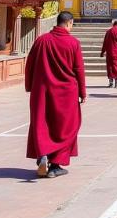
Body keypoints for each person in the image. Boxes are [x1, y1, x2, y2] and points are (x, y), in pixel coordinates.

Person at [24, 11, 86, 179]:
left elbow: (29, 64)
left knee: (42, 123)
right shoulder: (73, 43)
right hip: (66, 93)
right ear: (69, 23)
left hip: (42, 91)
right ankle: (55, 165)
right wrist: (82, 92)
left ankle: (43, 154)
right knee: (65, 127)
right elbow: (78, 69)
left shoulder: (42, 40)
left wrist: (30, 86)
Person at [100, 19, 117, 88]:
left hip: (110, 52)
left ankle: (111, 83)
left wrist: (102, 52)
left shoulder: (109, 32)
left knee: (110, 67)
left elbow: (105, 43)